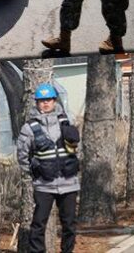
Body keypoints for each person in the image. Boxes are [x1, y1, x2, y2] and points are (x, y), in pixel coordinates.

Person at [17, 83, 81, 253]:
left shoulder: (67, 122)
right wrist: (35, 174)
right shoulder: (29, 128)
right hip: (44, 185)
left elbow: (78, 149)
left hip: (69, 183)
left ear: (54, 101)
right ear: (36, 103)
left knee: (69, 224)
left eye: (49, 100)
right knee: (38, 224)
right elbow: (22, 156)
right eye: (41, 100)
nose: (45, 103)